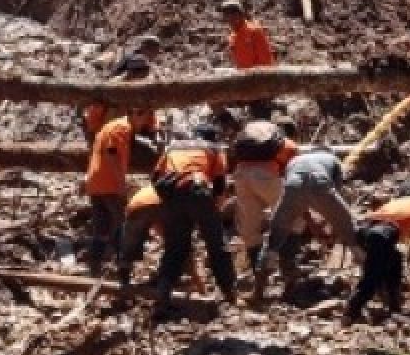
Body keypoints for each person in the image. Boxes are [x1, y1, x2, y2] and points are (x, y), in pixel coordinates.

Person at [151, 124, 237, 317]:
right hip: (197, 191)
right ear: (212, 137)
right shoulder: (214, 148)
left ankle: (162, 295)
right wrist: (213, 210)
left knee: (175, 249)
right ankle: (230, 292)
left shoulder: (173, 147)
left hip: (171, 194)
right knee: (217, 245)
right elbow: (220, 185)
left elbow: (155, 177)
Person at [254, 149, 357, 299]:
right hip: (320, 184)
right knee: (351, 230)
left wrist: (313, 224)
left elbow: (298, 199)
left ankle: (258, 291)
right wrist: (332, 229)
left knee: (274, 240)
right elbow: (334, 198)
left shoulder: (293, 161)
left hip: (293, 187)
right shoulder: (333, 161)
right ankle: (373, 284)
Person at [345, 185, 410, 323]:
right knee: (374, 274)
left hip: (364, 230)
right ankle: (352, 310)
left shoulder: (399, 201)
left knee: (395, 259)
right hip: (383, 233)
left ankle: (394, 305)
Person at [85, 109, 154, 278]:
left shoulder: (112, 127)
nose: (144, 125)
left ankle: (94, 269)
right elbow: (111, 154)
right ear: (137, 114)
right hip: (109, 183)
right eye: (145, 119)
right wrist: (121, 183)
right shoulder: (121, 127)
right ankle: (123, 269)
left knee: (101, 229)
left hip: (96, 183)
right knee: (124, 225)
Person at [229, 120, 299, 272]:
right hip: (265, 176)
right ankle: (288, 268)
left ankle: (259, 279)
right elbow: (293, 176)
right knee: (293, 218)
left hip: (241, 175)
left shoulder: (250, 143)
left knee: (250, 229)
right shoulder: (291, 146)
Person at [122, 184, 207, 292]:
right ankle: (165, 281)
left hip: (134, 206)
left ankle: (124, 282)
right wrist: (199, 284)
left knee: (130, 247)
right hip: (159, 204)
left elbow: (160, 226)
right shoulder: (187, 203)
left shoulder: (171, 187)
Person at [80, 52, 155, 142]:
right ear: (131, 72)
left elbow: (150, 112)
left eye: (145, 72)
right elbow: (95, 112)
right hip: (109, 132)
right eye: (141, 72)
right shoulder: (113, 87)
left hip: (132, 133)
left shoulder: (145, 87)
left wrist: (151, 130)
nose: (144, 76)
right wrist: (94, 134)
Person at [220, 0, 275, 117]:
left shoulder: (254, 31)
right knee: (212, 96)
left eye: (233, 15)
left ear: (240, 14)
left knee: (261, 118)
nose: (230, 20)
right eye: (227, 16)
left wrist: (265, 89)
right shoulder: (233, 37)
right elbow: (238, 63)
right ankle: (230, 125)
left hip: (259, 82)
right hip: (242, 81)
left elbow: (267, 61)